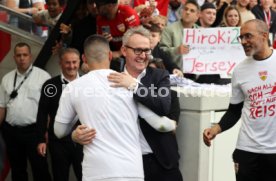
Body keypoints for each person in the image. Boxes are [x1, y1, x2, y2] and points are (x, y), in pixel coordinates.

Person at [72, 26, 183, 181]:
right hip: (122, 165)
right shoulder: (107, 78)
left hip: (161, 162)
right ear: (124, 50)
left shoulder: (159, 76)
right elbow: (89, 111)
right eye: (138, 50)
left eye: (147, 50)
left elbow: (163, 106)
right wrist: (76, 134)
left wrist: (134, 85)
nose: (143, 56)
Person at [203, 19, 276, 181]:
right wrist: (216, 129)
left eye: (248, 36)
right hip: (247, 150)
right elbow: (235, 110)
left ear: (264, 36)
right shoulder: (239, 71)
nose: (243, 42)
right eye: (241, 38)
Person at [0, 42, 52, 181]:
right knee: (17, 170)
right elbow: (2, 107)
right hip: (11, 132)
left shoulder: (44, 77)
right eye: (18, 55)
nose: (22, 58)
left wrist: (46, 131)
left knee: (40, 169)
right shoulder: (7, 79)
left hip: (35, 132)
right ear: (14, 57)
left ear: (30, 56)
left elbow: (49, 108)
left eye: (25, 55)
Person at [36, 48, 83, 181]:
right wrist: (41, 139)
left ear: (80, 62)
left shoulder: (88, 83)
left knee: (85, 177)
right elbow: (42, 113)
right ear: (60, 63)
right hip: (58, 142)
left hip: (84, 141)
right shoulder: (50, 85)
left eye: (74, 62)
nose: (71, 66)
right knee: (59, 177)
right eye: (67, 62)